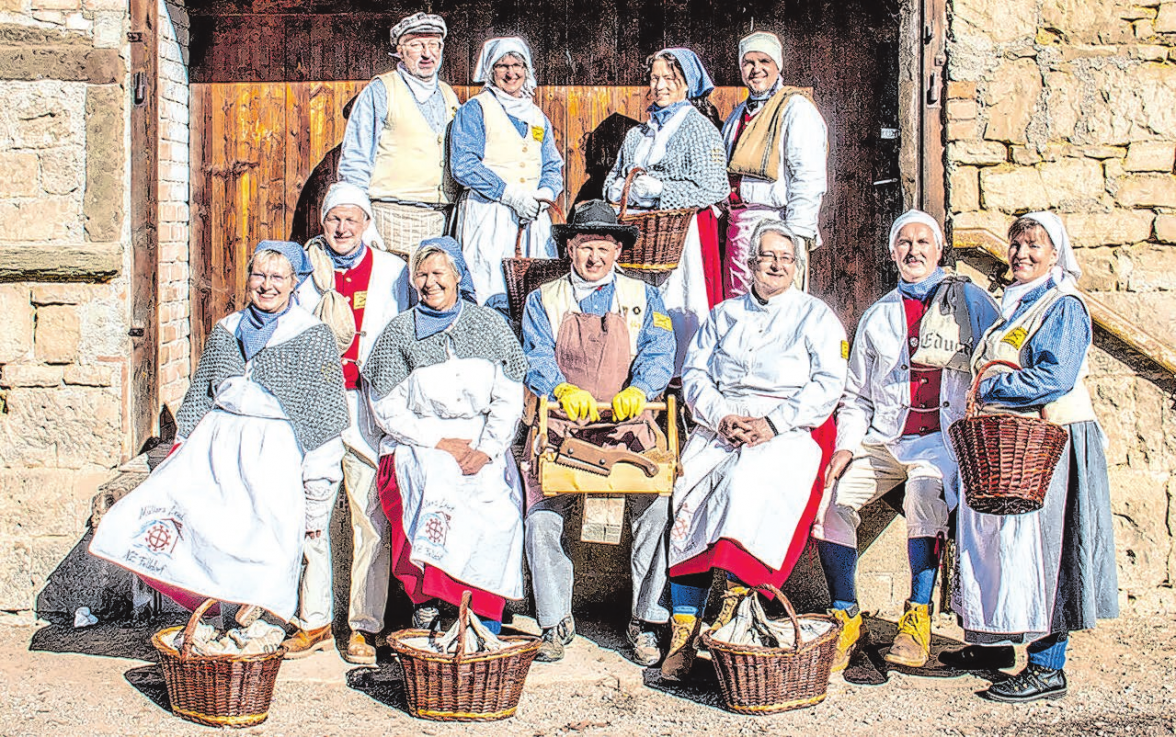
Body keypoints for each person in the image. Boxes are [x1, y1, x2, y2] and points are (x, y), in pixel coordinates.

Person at [89, 241, 348, 624]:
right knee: (216, 532)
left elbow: (325, 416)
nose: (267, 285)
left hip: (274, 451)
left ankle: (281, 624)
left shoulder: (311, 336)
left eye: (278, 277)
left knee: (270, 540)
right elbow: (200, 394)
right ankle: (227, 622)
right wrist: (180, 447)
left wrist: (319, 482)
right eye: (259, 275)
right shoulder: (228, 328)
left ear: (296, 282)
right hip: (218, 449)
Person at [811, 210, 999, 672]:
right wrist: (847, 447)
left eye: (923, 243)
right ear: (893, 251)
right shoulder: (878, 317)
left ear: (939, 251)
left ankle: (916, 616)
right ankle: (845, 614)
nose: (913, 252)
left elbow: (999, 355)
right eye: (904, 243)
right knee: (832, 498)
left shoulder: (969, 302)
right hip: (885, 439)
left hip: (939, 439)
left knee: (923, 493)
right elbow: (855, 395)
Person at [660, 219, 847, 681]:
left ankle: (736, 612)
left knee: (747, 484)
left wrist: (772, 423)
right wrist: (721, 415)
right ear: (750, 263)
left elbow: (828, 382)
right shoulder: (724, 315)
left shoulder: (815, 316)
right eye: (768, 256)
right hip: (721, 423)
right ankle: (684, 630)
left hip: (784, 429)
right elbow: (696, 373)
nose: (777, 265)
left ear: (797, 266)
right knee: (688, 490)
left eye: (787, 258)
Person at [947, 212, 1118, 703]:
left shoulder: (1063, 306)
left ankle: (1047, 666)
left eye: (1033, 246)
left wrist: (994, 384)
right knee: (1006, 546)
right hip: (1017, 442)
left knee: (1047, 551)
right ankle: (996, 643)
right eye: (1015, 244)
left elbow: (1055, 377)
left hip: (1053, 440)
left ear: (1055, 255)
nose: (1021, 253)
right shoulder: (1019, 304)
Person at [520, 200, 676, 666]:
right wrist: (559, 389)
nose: (595, 258)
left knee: (657, 507)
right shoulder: (543, 299)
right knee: (540, 515)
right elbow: (535, 356)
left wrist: (641, 389)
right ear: (570, 247)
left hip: (629, 423)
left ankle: (645, 621)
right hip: (564, 426)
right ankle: (553, 620)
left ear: (618, 251)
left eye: (604, 248)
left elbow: (659, 351)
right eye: (586, 246)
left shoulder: (643, 297)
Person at [362, 237, 528, 634]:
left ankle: (484, 611)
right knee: (433, 494)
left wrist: (487, 449)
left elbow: (508, 396)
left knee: (497, 512)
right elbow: (385, 406)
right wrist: (437, 441)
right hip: (421, 442)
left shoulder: (489, 326)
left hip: (482, 439)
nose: (430, 282)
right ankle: (431, 602)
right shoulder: (399, 333)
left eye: (439, 273)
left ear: (458, 276)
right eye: (421, 274)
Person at [282, 183, 411, 663]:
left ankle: (364, 625)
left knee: (370, 519)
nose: (341, 228)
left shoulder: (393, 272)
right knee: (311, 515)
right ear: (323, 222)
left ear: (365, 224)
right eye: (334, 219)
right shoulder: (302, 270)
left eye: (351, 220)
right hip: (317, 400)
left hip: (367, 405)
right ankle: (312, 619)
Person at [603, 47, 728, 372]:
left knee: (681, 304)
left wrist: (660, 192)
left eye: (670, 78)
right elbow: (613, 180)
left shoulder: (700, 130)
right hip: (639, 241)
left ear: (686, 84)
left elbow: (716, 187)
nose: (660, 85)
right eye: (655, 78)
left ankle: (683, 379)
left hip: (682, 239)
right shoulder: (637, 134)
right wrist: (618, 190)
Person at [451, 37, 564, 315]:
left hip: (531, 217)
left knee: (532, 288)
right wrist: (509, 194)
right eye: (502, 65)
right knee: (488, 286)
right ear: (491, 70)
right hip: (489, 214)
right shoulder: (476, 110)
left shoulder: (536, 116)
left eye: (517, 65)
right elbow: (463, 164)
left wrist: (543, 196)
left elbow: (552, 165)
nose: (511, 73)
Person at [338, 12, 460, 257]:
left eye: (434, 44)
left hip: (441, 219)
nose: (427, 53)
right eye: (416, 45)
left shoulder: (448, 95)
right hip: (392, 217)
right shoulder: (381, 90)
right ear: (400, 51)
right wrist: (362, 219)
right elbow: (355, 159)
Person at [720, 31, 827, 297]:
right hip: (738, 229)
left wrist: (797, 236)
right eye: (748, 63)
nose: (756, 70)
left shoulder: (796, 109)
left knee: (774, 302)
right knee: (739, 302)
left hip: (774, 223)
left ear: (777, 65)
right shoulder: (737, 116)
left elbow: (808, 176)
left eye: (763, 61)